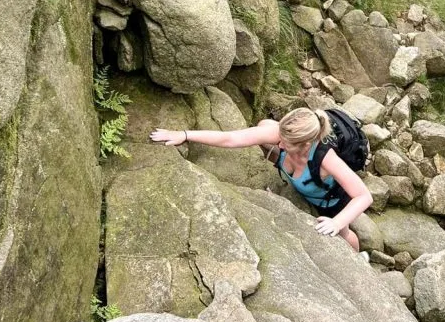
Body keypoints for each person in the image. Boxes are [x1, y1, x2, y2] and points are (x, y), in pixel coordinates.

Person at [149, 107, 373, 251]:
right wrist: (185, 135)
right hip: (306, 185)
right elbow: (231, 139)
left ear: (306, 144)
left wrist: (336, 222)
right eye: (280, 138)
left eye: (286, 144)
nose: (280, 144)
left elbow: (363, 196)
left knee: (344, 234)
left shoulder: (327, 159)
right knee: (265, 126)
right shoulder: (282, 135)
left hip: (329, 201)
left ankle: (357, 257)